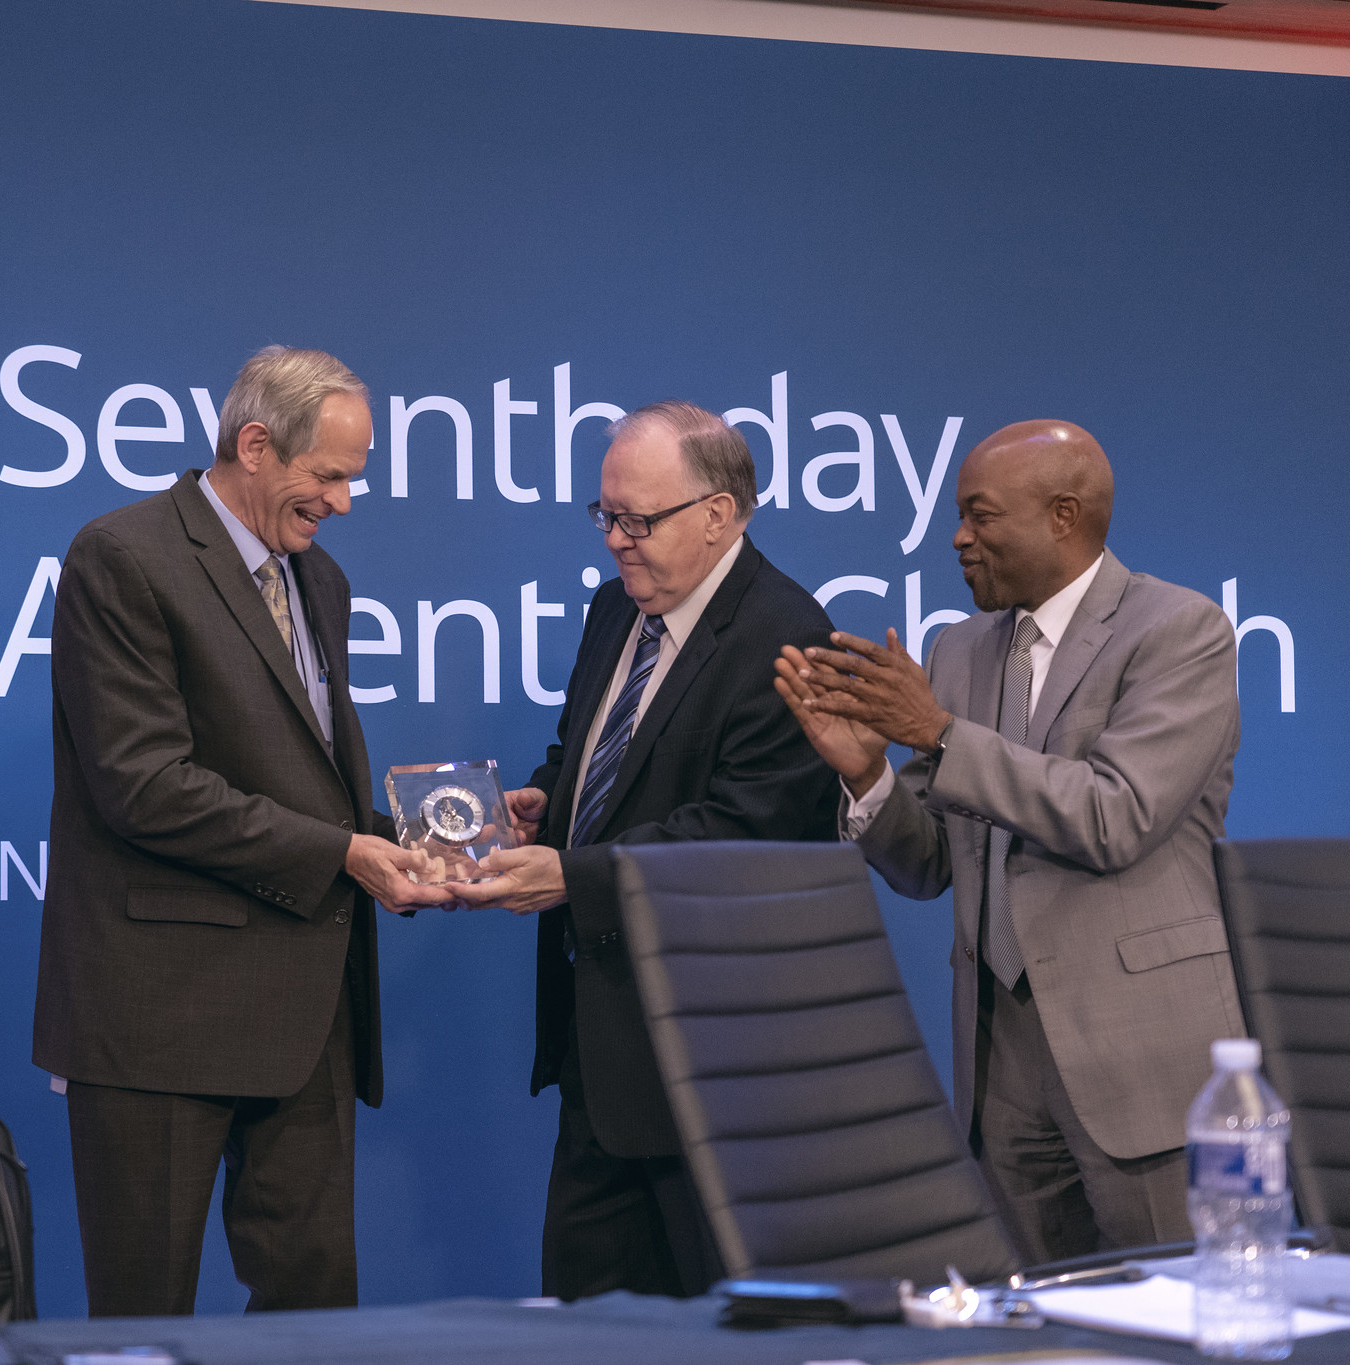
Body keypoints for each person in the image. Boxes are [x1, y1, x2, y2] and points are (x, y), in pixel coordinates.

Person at [34, 346, 449, 1317]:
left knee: (316, 1316)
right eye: (330, 475)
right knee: (141, 1322)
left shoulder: (320, 579)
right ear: (255, 445)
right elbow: (145, 785)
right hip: (159, 1017)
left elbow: (305, 786)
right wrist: (342, 854)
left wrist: (417, 836)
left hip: (306, 1014)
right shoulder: (124, 555)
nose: (345, 500)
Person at [773, 419, 1244, 1262]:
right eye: (959, 515)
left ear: (1063, 516)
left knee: (1176, 1307)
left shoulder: (1179, 630)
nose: (958, 537)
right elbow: (929, 861)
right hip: (1001, 1060)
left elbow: (1115, 815)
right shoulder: (958, 648)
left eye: (979, 515)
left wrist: (941, 733)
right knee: (1030, 1316)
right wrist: (867, 775)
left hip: (1134, 1053)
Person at [448, 401, 840, 1300]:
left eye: (639, 520)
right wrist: (549, 802)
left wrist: (573, 875)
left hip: (715, 1067)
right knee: (585, 1323)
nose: (617, 542)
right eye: (606, 516)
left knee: (717, 1327)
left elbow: (748, 836)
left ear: (719, 515)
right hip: (601, 1043)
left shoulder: (788, 637)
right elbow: (592, 751)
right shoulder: (615, 608)